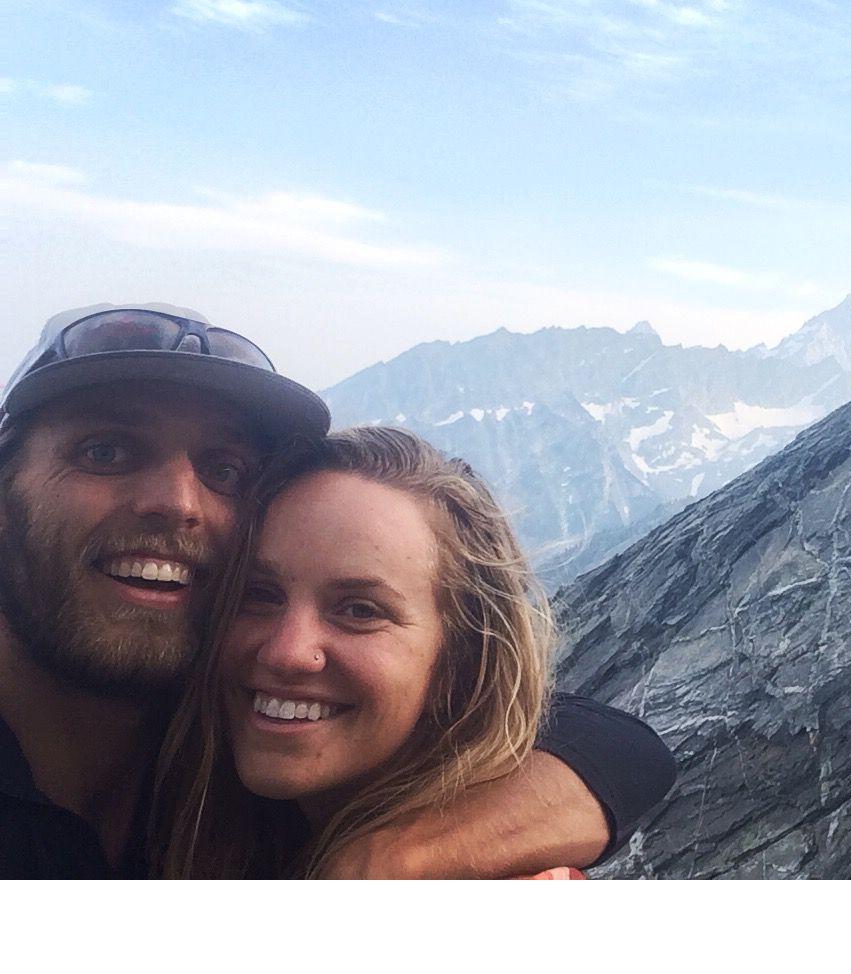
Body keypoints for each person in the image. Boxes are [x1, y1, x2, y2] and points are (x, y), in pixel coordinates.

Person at [0, 304, 675, 879]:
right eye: (106, 452)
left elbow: (615, 747)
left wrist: (387, 862)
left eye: (225, 468)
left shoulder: (223, 748)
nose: (178, 503)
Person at [157, 427, 568, 876]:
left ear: (459, 665)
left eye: (359, 610)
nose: (287, 652)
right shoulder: (228, 820)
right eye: (260, 594)